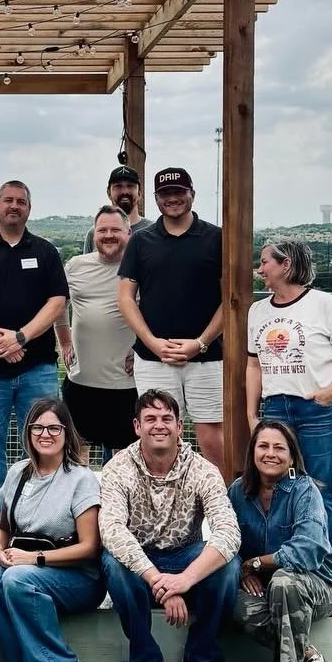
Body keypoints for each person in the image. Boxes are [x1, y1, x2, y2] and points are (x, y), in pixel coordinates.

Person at [97, 388, 241, 662]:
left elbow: (228, 531)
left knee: (229, 564)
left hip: (185, 557)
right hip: (139, 565)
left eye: (166, 418)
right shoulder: (117, 469)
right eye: (150, 418)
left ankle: (202, 657)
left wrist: (184, 580)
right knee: (111, 560)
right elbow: (111, 529)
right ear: (137, 426)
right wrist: (159, 581)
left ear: (179, 426)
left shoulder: (203, 470)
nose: (158, 425)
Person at [0, 396, 104, 662]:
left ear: (66, 433)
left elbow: (90, 548)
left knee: (17, 578)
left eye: (54, 428)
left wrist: (34, 559)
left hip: (79, 578)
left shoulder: (81, 479)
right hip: (28, 567)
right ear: (28, 432)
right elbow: (4, 528)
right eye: (37, 427)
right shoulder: (17, 473)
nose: (45, 434)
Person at [248, 238, 332, 550]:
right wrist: (252, 415)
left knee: (319, 488)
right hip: (276, 408)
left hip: (320, 410)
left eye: (265, 262)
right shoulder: (257, 311)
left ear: (285, 265)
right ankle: (282, 560)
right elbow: (254, 365)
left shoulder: (324, 304)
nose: (259, 269)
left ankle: (322, 566)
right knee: (276, 487)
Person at [0, 180, 69, 498]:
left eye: (21, 201)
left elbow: (58, 301)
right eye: (8, 200)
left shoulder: (45, 252)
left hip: (37, 370)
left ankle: (35, 520)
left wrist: (21, 338)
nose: (14, 205)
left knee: (42, 449)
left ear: (29, 209)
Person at [116, 166, 225, 471]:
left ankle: (224, 502)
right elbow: (125, 297)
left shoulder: (217, 238)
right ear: (155, 198)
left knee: (212, 434)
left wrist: (201, 343)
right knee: (157, 433)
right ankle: (163, 502)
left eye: (179, 192)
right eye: (166, 194)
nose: (173, 199)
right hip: (153, 360)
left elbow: (230, 300)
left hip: (209, 357)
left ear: (192, 194)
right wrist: (152, 343)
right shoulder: (141, 241)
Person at [230, 419, 332, 662]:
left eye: (279, 448)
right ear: (252, 451)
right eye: (263, 446)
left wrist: (255, 564)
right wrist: (242, 570)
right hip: (266, 591)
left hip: (317, 585)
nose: (271, 453)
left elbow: (309, 549)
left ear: (292, 456)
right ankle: (308, 656)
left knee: (283, 580)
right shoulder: (237, 491)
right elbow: (225, 540)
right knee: (231, 603)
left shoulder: (305, 490)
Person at [58, 206, 137, 459]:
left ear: (129, 232)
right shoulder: (75, 266)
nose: (108, 235)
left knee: (125, 461)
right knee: (75, 457)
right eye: (102, 230)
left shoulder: (141, 268)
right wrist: (64, 340)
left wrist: (141, 349)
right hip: (81, 382)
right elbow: (58, 305)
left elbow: (159, 314)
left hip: (126, 384)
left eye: (116, 230)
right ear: (94, 234)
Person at [81, 164, 146, 249]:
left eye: (130, 186)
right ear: (109, 193)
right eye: (118, 186)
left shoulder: (154, 232)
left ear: (139, 193)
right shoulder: (95, 234)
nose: (125, 191)